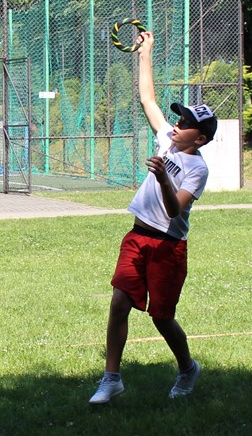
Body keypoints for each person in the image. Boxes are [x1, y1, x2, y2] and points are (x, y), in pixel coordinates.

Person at [89, 30, 215, 405]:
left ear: (200, 138)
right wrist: (145, 52)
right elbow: (147, 98)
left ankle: (187, 368)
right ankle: (112, 378)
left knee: (161, 317)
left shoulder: (198, 169)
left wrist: (162, 177)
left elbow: (175, 209)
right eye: (179, 118)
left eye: (186, 123)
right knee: (119, 303)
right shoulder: (166, 140)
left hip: (168, 247)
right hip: (137, 237)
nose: (177, 124)